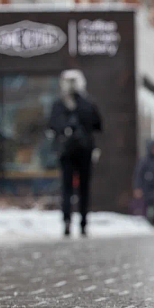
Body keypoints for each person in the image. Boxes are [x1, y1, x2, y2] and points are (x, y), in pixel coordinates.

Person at [48, 70, 102, 238]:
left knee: (68, 188)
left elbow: (52, 127)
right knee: (81, 188)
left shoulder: (60, 104)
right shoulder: (87, 103)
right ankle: (81, 223)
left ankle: (70, 222)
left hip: (70, 152)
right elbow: (98, 125)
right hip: (80, 151)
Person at [133, 140, 154, 224]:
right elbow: (138, 175)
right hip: (146, 189)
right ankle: (146, 221)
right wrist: (137, 188)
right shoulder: (144, 161)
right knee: (145, 206)